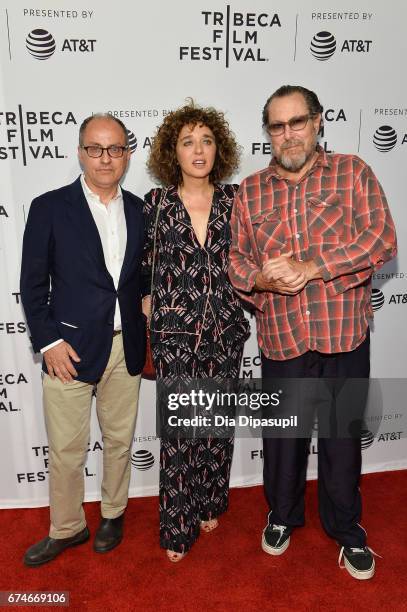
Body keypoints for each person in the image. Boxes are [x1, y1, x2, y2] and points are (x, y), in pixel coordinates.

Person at [229, 85, 397, 580]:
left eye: (297, 122)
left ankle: (347, 530)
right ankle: (282, 515)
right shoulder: (250, 190)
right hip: (282, 337)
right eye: (277, 126)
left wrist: (314, 266)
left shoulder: (353, 171)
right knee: (283, 439)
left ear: (319, 121)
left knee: (342, 439)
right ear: (268, 133)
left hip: (343, 333)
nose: (288, 134)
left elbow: (382, 238)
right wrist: (258, 278)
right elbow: (235, 260)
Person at [20, 113, 146, 565]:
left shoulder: (139, 208)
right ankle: (68, 527)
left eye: (115, 148)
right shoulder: (50, 206)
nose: (105, 158)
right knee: (67, 449)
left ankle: (114, 513)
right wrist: (49, 342)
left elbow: (140, 278)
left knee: (119, 440)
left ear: (128, 154)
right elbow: (32, 285)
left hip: (123, 345)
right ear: (80, 152)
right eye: (95, 148)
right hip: (68, 350)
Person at [142, 101, 250, 562]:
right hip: (173, 334)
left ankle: (209, 500)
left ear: (218, 148)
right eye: (188, 141)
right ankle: (177, 523)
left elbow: (251, 260)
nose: (198, 149)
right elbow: (140, 264)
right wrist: (143, 303)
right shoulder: (157, 203)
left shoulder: (237, 198)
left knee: (216, 425)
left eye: (206, 140)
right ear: (173, 152)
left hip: (225, 330)